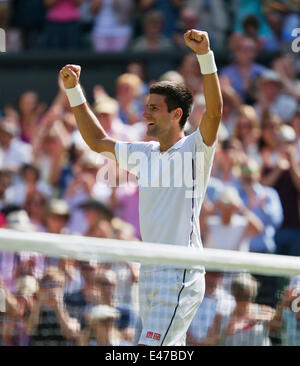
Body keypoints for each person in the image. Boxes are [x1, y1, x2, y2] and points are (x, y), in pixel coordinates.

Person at [59, 28, 222, 346]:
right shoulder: (143, 153)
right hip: (149, 272)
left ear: (176, 115)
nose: (145, 113)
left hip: (181, 274)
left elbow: (214, 112)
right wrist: (74, 91)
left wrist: (205, 55)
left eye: (154, 108)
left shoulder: (195, 150)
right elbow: (97, 141)